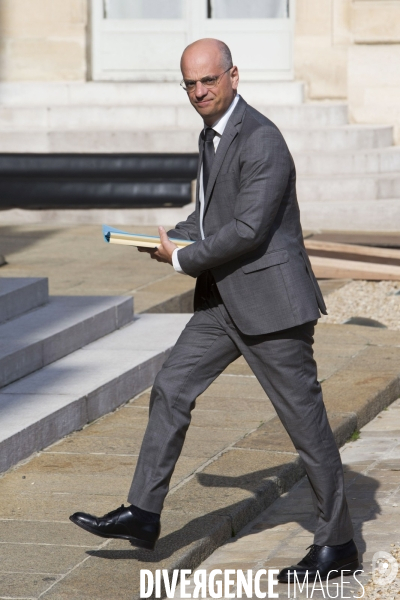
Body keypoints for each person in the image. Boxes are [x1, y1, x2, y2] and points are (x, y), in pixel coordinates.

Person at [70, 38, 359, 582]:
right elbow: (210, 220)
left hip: (272, 306)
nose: (199, 91)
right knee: (172, 386)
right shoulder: (212, 135)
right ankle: (145, 513)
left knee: (306, 428)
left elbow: (249, 229)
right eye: (190, 83)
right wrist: (159, 239)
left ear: (232, 76)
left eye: (209, 80)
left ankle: (338, 543)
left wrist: (183, 260)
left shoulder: (263, 139)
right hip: (223, 302)